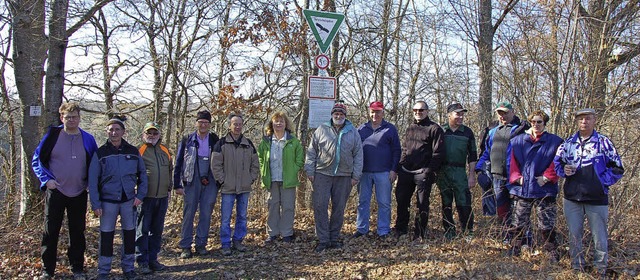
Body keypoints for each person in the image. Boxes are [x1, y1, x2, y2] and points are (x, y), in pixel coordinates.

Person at [32, 102, 98, 280]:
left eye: (74, 117)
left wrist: (91, 183)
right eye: (67, 117)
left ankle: (77, 268)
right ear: (62, 117)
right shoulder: (52, 136)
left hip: (79, 192)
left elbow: (96, 163)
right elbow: (37, 160)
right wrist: (46, 180)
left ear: (79, 118)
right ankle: (48, 269)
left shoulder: (88, 139)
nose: (71, 120)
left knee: (77, 232)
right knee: (50, 231)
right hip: (56, 191)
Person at [554, 108, 624, 275]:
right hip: (572, 198)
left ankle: (601, 269)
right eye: (581, 119)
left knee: (599, 237)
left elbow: (618, 168)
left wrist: (601, 181)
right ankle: (577, 267)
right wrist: (564, 170)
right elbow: (557, 164)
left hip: (596, 199)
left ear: (594, 120)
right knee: (574, 236)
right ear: (577, 122)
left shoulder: (604, 142)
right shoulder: (568, 143)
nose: (584, 122)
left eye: (587, 118)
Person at [88, 116, 147, 280]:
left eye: (117, 129)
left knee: (129, 235)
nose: (114, 132)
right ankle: (104, 270)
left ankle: (128, 268)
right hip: (107, 202)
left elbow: (142, 174)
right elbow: (92, 180)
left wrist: (140, 196)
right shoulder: (100, 153)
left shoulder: (133, 151)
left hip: (129, 200)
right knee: (106, 236)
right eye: (110, 130)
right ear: (106, 132)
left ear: (123, 132)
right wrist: (95, 203)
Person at [305, 102, 363, 252]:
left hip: (344, 175)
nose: (338, 116)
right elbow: (311, 152)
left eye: (341, 114)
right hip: (322, 174)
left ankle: (334, 238)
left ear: (345, 116)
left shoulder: (353, 132)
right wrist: (310, 171)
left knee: (339, 208)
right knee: (320, 206)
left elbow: (358, 155)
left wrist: (356, 175)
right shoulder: (321, 129)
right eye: (336, 114)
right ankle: (323, 240)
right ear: (332, 115)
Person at [505, 110, 563, 261]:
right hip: (523, 188)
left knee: (546, 224)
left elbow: (558, 162)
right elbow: (512, 163)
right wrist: (517, 178)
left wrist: (547, 177)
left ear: (544, 123)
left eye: (539, 122)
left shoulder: (555, 141)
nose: (536, 125)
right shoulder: (517, 141)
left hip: (545, 188)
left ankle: (550, 251)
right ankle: (515, 248)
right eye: (533, 122)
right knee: (518, 222)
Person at [475, 101, 529, 241]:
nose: (503, 116)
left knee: (519, 209)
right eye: (500, 113)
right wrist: (479, 169)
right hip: (497, 176)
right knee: (502, 209)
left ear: (513, 112)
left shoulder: (520, 130)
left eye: (505, 112)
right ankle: (506, 237)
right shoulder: (493, 132)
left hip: (515, 177)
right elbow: (487, 152)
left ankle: (522, 239)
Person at [393, 101, 445, 241]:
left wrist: (429, 170)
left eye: (421, 110)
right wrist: (400, 166)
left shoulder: (434, 129)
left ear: (427, 111)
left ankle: (419, 233)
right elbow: (405, 149)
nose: (418, 112)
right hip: (406, 171)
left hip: (423, 172)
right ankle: (401, 230)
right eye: (415, 110)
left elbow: (438, 153)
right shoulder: (410, 128)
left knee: (422, 203)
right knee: (402, 201)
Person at [211, 113, 260, 256]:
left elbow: (255, 164)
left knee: (242, 216)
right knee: (226, 218)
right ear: (229, 125)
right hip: (228, 188)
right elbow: (215, 165)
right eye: (234, 124)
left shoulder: (248, 144)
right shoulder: (221, 144)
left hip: (244, 187)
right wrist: (222, 180)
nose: (237, 126)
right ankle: (225, 243)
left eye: (240, 124)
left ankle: (238, 240)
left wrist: (250, 178)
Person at [173, 110, 220, 258]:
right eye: (201, 122)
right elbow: (179, 161)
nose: (203, 125)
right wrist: (177, 184)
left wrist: (220, 181)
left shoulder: (214, 139)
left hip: (210, 179)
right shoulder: (188, 139)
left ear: (210, 124)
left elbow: (220, 160)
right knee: (189, 213)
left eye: (206, 122)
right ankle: (185, 246)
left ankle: (201, 244)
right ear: (196, 123)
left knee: (206, 213)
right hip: (191, 178)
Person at [352, 101, 401, 239]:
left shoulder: (390, 129)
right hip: (364, 172)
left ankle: (383, 230)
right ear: (369, 112)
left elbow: (397, 151)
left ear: (382, 112)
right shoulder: (361, 129)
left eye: (378, 111)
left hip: (384, 172)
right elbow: (354, 150)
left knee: (384, 202)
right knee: (363, 202)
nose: (375, 114)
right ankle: (362, 229)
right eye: (373, 111)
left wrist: (393, 170)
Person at [258, 112, 305, 244]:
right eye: (276, 121)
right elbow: (260, 157)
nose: (279, 124)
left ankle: (287, 233)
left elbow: (300, 160)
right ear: (272, 124)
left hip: (288, 180)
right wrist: (263, 171)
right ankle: (272, 233)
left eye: (281, 121)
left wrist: (294, 170)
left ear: (286, 124)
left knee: (288, 207)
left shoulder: (293, 141)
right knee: (273, 206)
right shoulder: (266, 141)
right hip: (271, 179)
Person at [436, 103, 477, 240]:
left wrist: (472, 175)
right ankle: (449, 231)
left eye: (462, 114)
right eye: (457, 114)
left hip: (460, 171)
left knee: (464, 202)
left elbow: (472, 156)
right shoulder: (440, 130)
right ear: (449, 115)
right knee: (446, 202)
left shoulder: (467, 132)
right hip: (443, 171)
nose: (460, 116)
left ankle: (467, 231)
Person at [135, 122, 171, 274]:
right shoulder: (139, 151)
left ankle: (153, 259)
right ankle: (141, 260)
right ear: (143, 134)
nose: (152, 136)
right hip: (145, 198)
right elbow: (133, 173)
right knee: (142, 229)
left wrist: (169, 188)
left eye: (155, 133)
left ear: (159, 135)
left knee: (157, 230)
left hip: (162, 197)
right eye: (149, 133)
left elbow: (170, 170)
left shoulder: (165, 150)